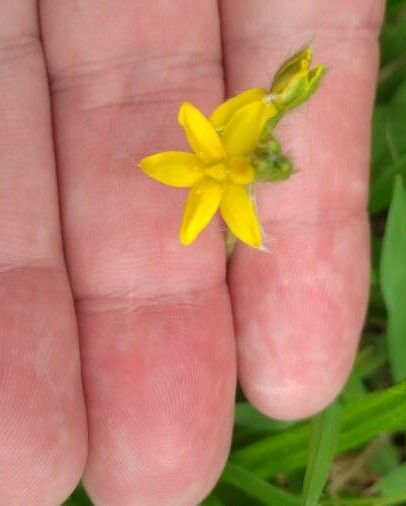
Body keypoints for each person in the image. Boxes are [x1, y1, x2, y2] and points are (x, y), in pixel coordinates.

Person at [0, 1, 385, 504]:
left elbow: (239, 137)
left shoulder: (243, 148)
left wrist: (261, 116)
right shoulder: (227, 144)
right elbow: (215, 129)